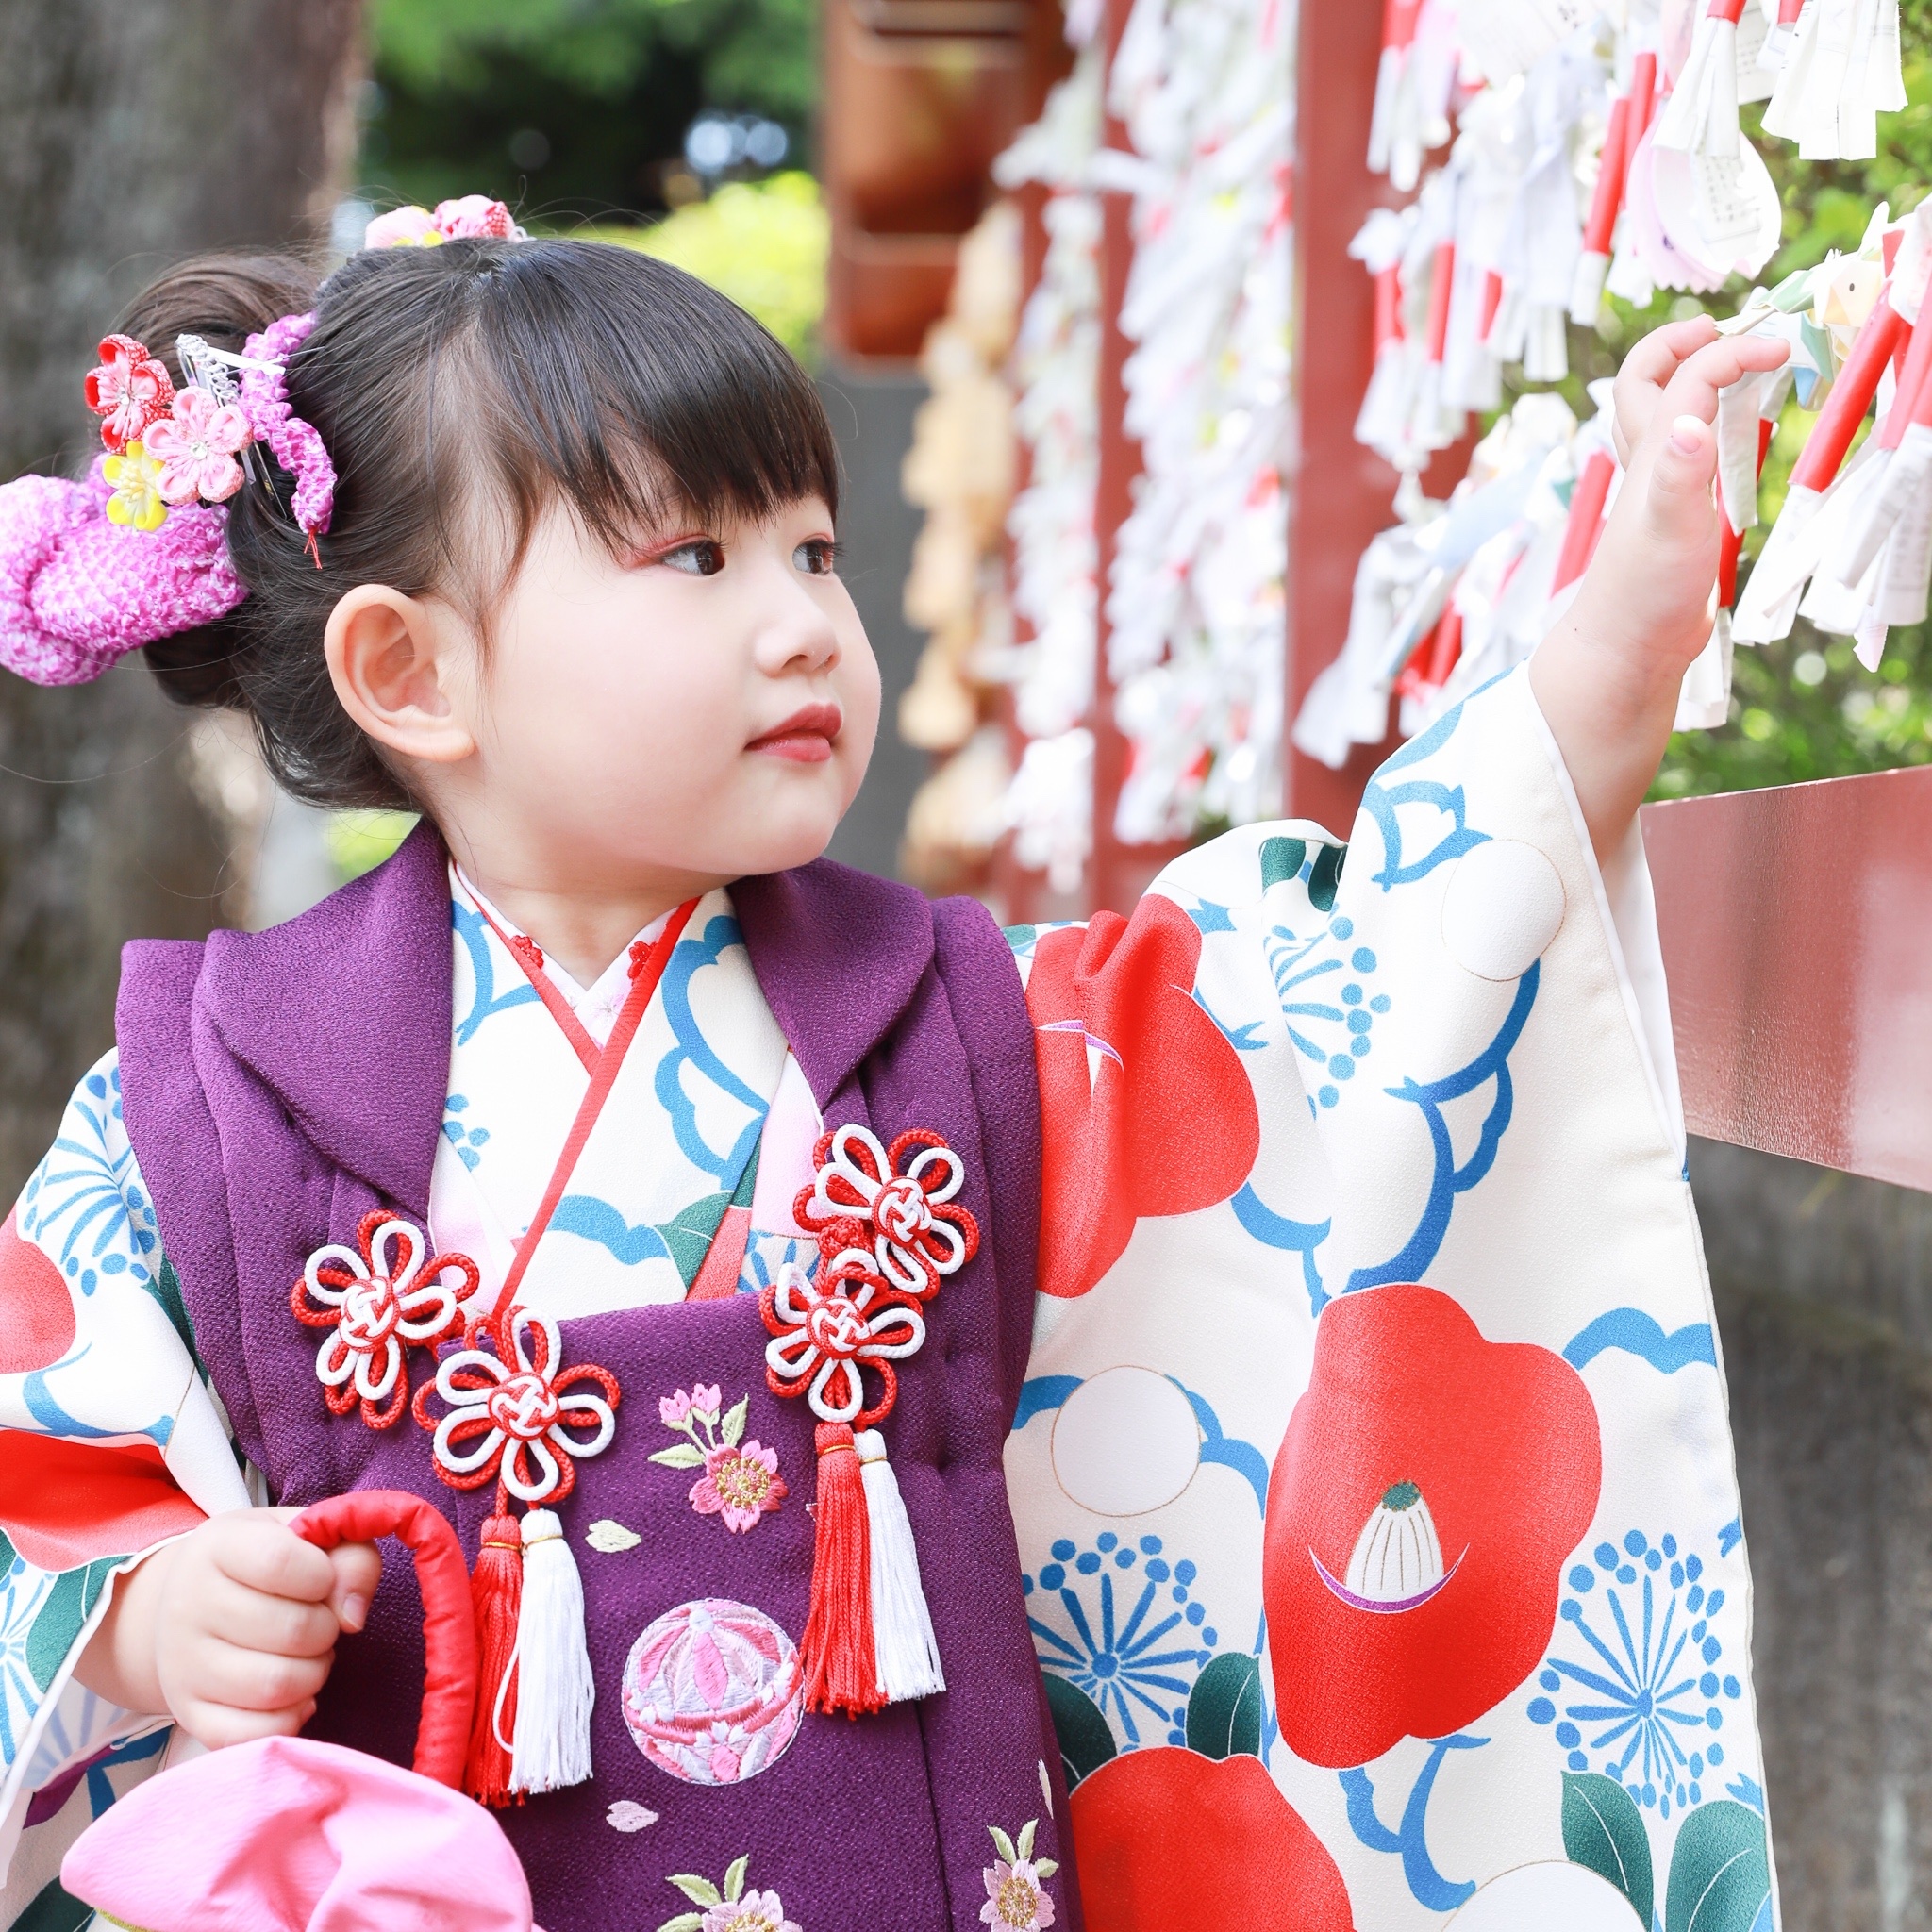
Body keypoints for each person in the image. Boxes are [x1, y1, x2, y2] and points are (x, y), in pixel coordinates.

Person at [0, 199, 1787, 1932]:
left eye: (812, 550)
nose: (802, 625)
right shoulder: (212, 1103)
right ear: (410, 670)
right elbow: (42, 1485)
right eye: (695, 558)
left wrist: (1610, 653)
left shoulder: (974, 1030)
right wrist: (147, 1621)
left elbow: (1350, 997)